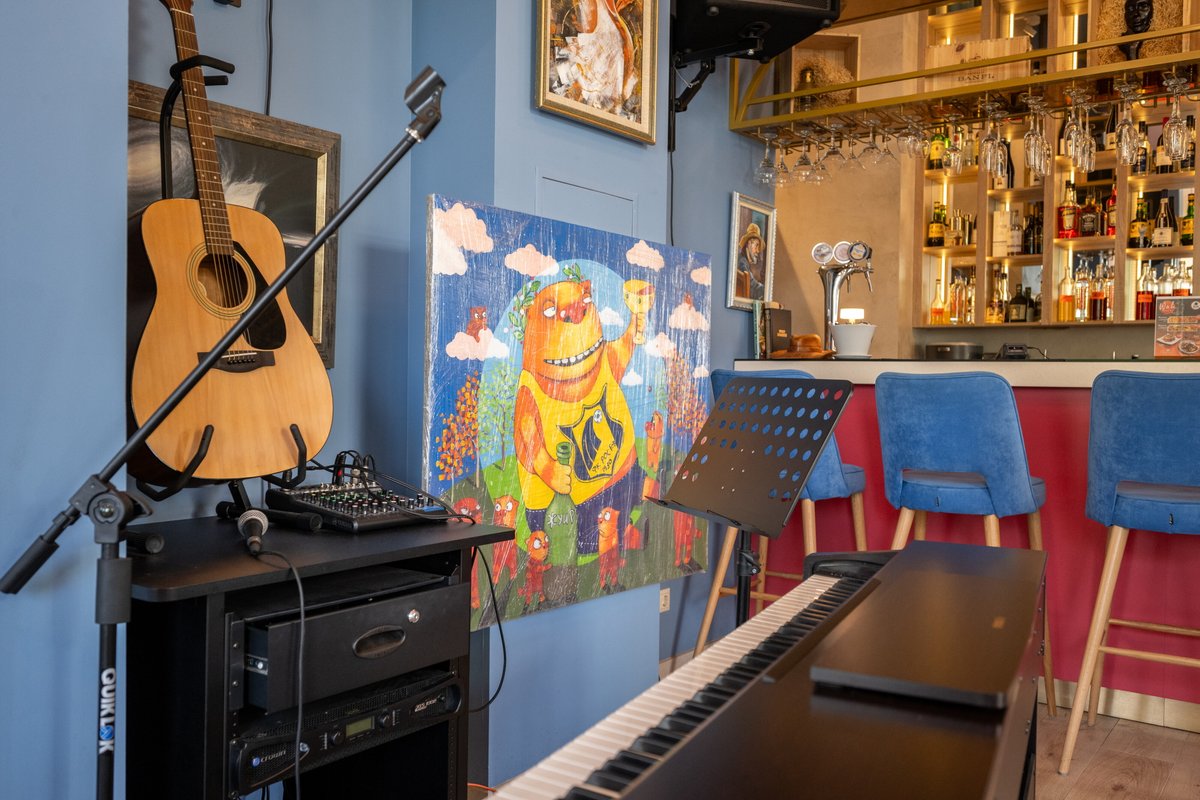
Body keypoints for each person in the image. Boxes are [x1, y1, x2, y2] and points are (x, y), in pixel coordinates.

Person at [736, 222, 766, 301]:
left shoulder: (742, 260)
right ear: (749, 243)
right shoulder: (742, 263)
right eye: (756, 245)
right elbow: (753, 287)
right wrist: (766, 290)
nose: (757, 251)